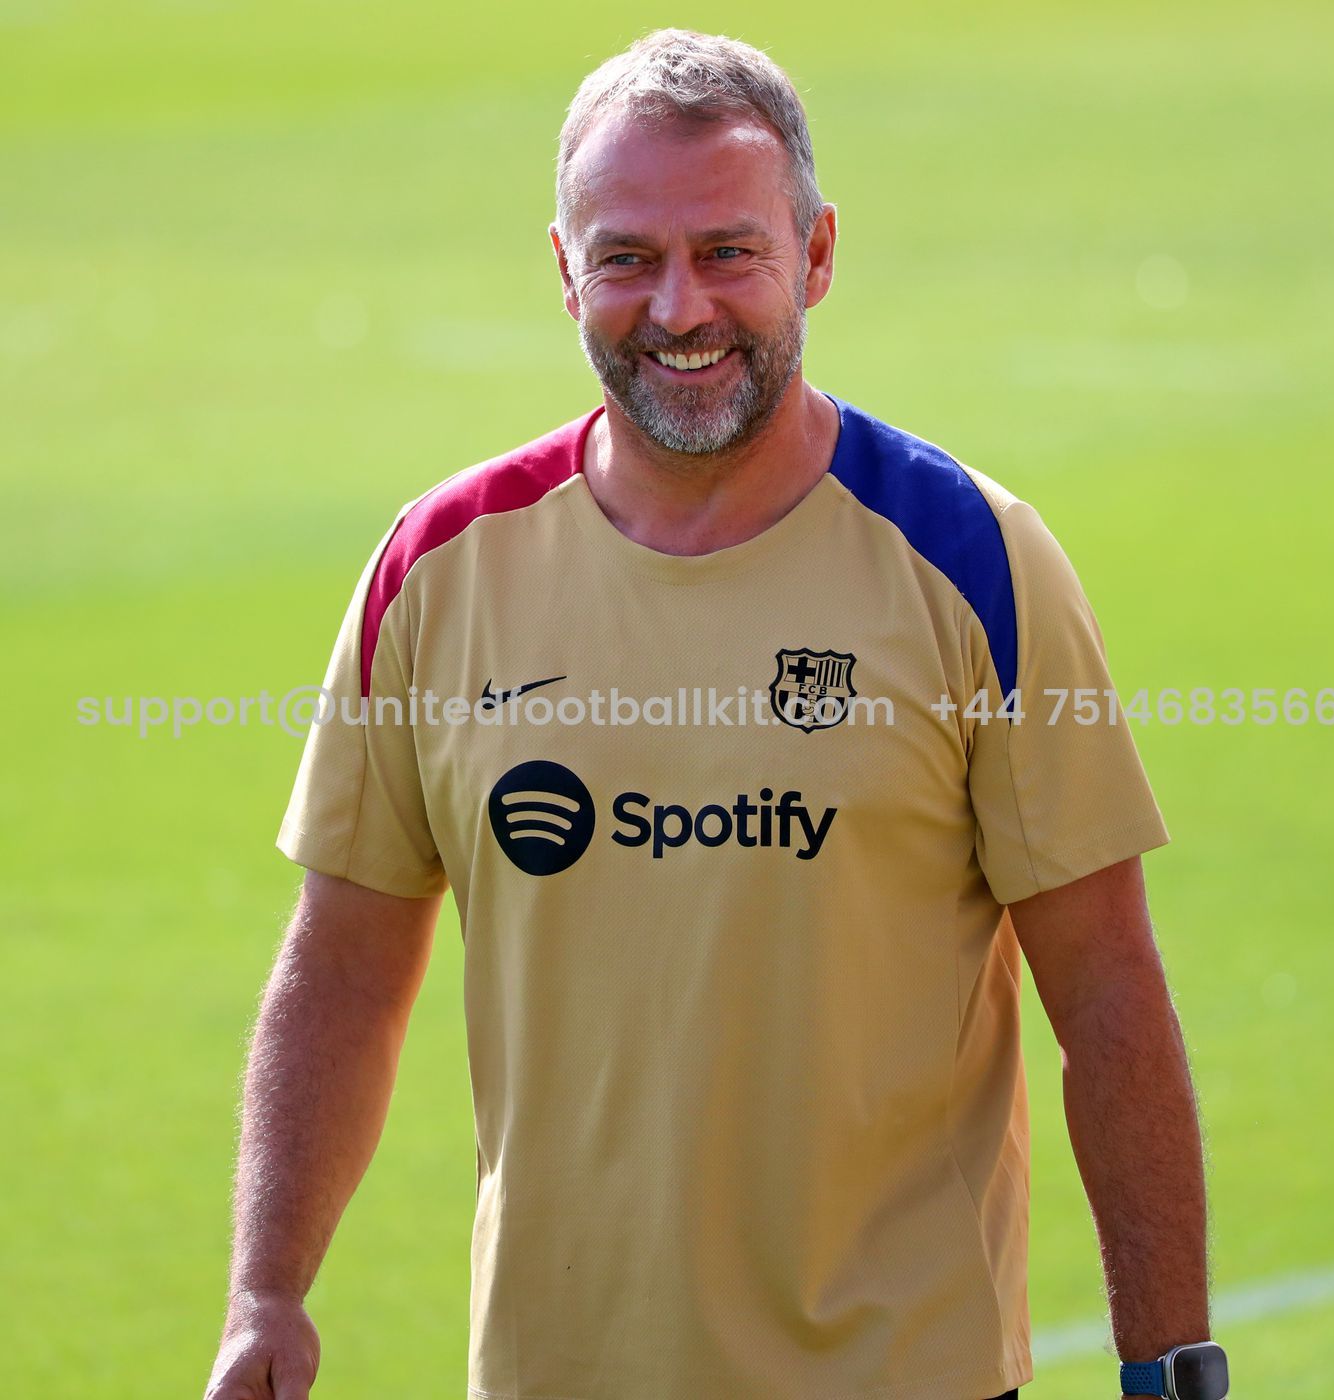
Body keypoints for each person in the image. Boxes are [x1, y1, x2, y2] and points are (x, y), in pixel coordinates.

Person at [203, 28, 1227, 1400]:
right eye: (626, 257)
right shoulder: (440, 567)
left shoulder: (971, 558)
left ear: (814, 258)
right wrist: (267, 1292)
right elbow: (342, 963)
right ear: (564, 271)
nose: (679, 307)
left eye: (727, 252)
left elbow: (1104, 986)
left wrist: (1170, 1364)